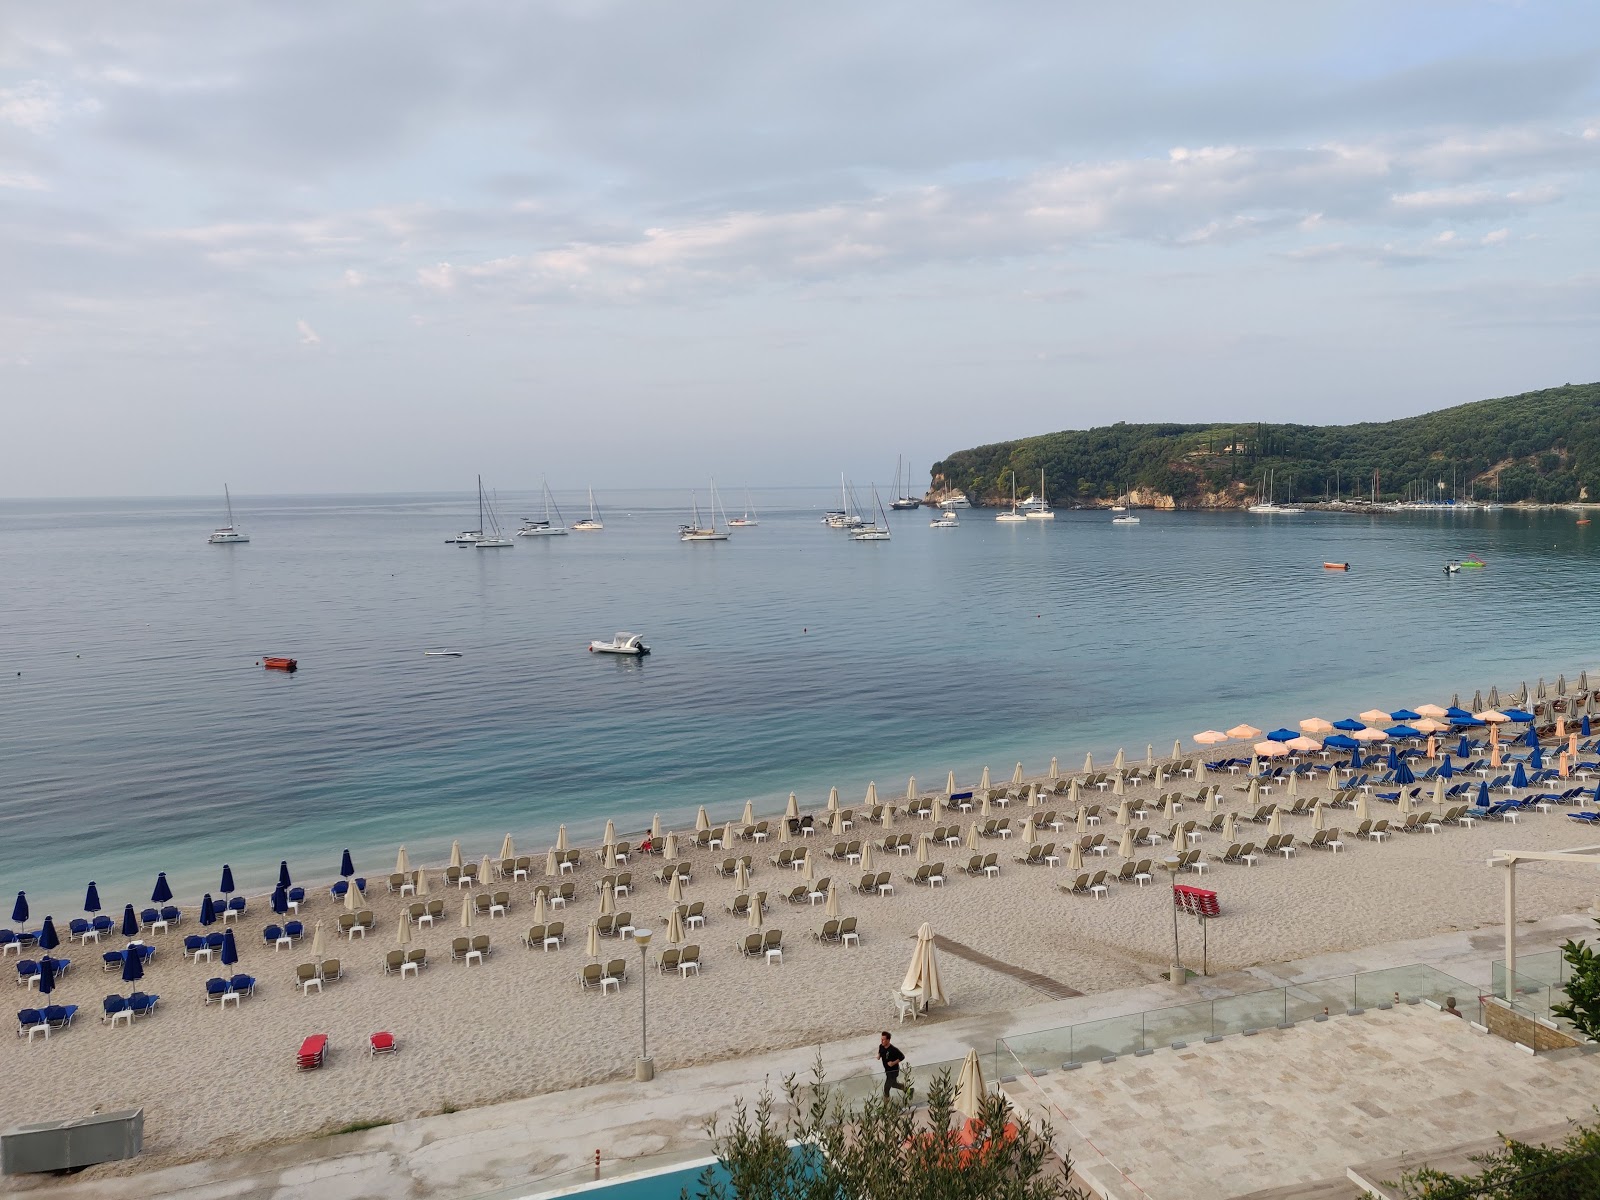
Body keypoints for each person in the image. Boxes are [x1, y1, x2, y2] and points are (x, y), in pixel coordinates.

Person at [878, 1031, 909, 1099]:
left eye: (883, 1040)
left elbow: (902, 1057)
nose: (882, 1041)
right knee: (894, 1084)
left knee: (886, 1087)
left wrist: (893, 1063)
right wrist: (879, 1055)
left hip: (893, 1071)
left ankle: (886, 1105)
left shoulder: (893, 1049)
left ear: (888, 1040)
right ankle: (908, 1090)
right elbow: (880, 1052)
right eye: (881, 1039)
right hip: (887, 1071)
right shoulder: (881, 1046)